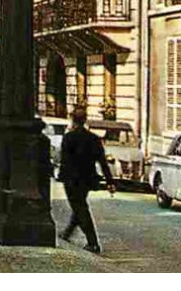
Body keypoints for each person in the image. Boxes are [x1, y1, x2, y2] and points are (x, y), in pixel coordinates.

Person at [58, 107, 114, 254]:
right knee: (79, 205)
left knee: (80, 208)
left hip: (71, 179)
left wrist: (61, 175)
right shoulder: (94, 139)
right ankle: (67, 233)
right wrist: (110, 181)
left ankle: (93, 242)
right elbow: (102, 162)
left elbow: (64, 160)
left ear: (73, 120)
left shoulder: (69, 137)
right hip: (87, 179)